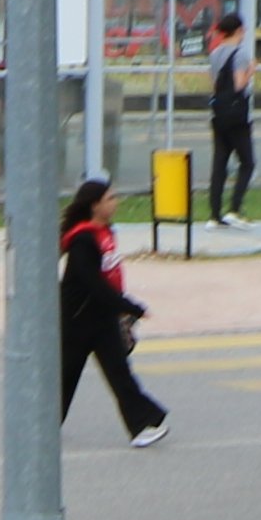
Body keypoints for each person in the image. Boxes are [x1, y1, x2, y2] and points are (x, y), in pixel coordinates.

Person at [58, 177, 171, 446]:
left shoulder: (104, 233)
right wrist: (130, 306)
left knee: (119, 373)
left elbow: (108, 278)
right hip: (78, 320)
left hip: (100, 317)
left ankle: (142, 423)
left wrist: (121, 310)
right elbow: (94, 283)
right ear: (95, 205)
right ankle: (40, 424)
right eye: (111, 198)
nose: (115, 202)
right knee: (65, 376)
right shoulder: (83, 240)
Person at [206, 9, 261, 224]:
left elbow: (214, 84)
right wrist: (251, 70)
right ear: (239, 30)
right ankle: (234, 209)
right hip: (237, 115)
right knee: (247, 162)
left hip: (219, 114)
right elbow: (239, 84)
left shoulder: (215, 53)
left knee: (220, 163)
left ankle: (214, 215)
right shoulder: (240, 55)